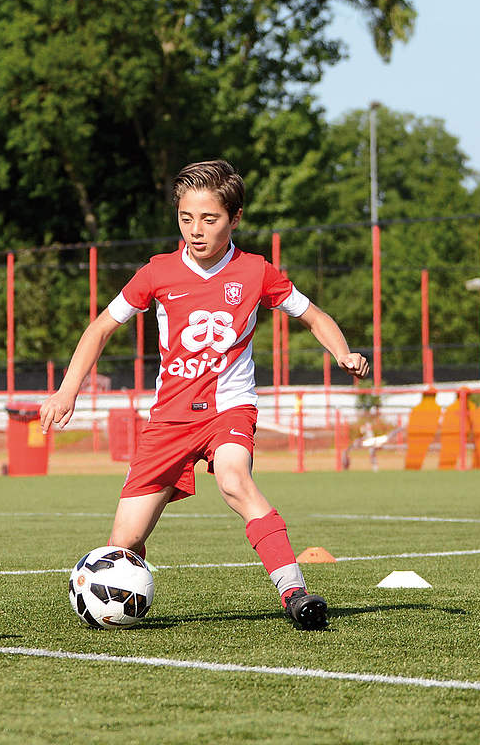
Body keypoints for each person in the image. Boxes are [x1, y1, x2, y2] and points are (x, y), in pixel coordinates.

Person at [39, 159, 369, 630]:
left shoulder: (256, 271)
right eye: (186, 218)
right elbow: (101, 327)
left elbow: (313, 315)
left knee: (234, 479)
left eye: (209, 219)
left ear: (235, 218)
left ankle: (295, 593)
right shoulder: (157, 272)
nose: (196, 230)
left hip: (229, 409)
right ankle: (122, 600)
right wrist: (67, 391)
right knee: (124, 543)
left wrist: (343, 352)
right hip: (169, 419)